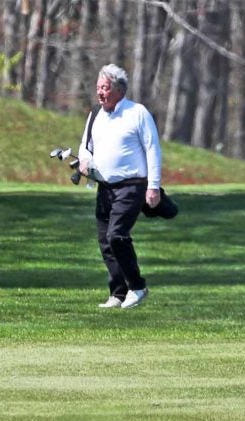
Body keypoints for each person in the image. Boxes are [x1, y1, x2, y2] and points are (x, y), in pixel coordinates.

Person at [78, 64, 163, 310]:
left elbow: (152, 149)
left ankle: (137, 287)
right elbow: (86, 145)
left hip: (132, 186)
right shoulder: (95, 114)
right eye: (98, 88)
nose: (100, 93)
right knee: (105, 240)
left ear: (118, 90)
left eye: (104, 88)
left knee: (117, 235)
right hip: (104, 187)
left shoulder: (137, 113)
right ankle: (118, 292)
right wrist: (84, 160)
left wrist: (153, 187)